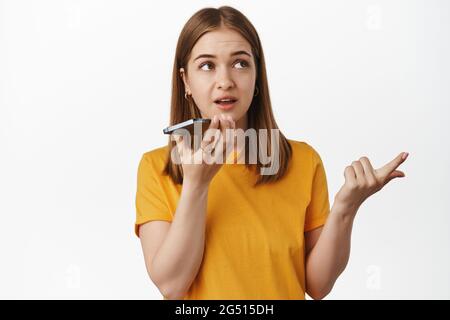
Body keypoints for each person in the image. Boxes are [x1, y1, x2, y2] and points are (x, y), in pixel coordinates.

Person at [134, 6, 409, 300]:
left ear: (257, 77)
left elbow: (318, 285)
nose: (225, 80)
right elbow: (172, 285)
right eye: (207, 66)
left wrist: (345, 208)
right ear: (186, 81)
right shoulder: (157, 167)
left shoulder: (303, 161)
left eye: (240, 64)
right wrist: (197, 184)